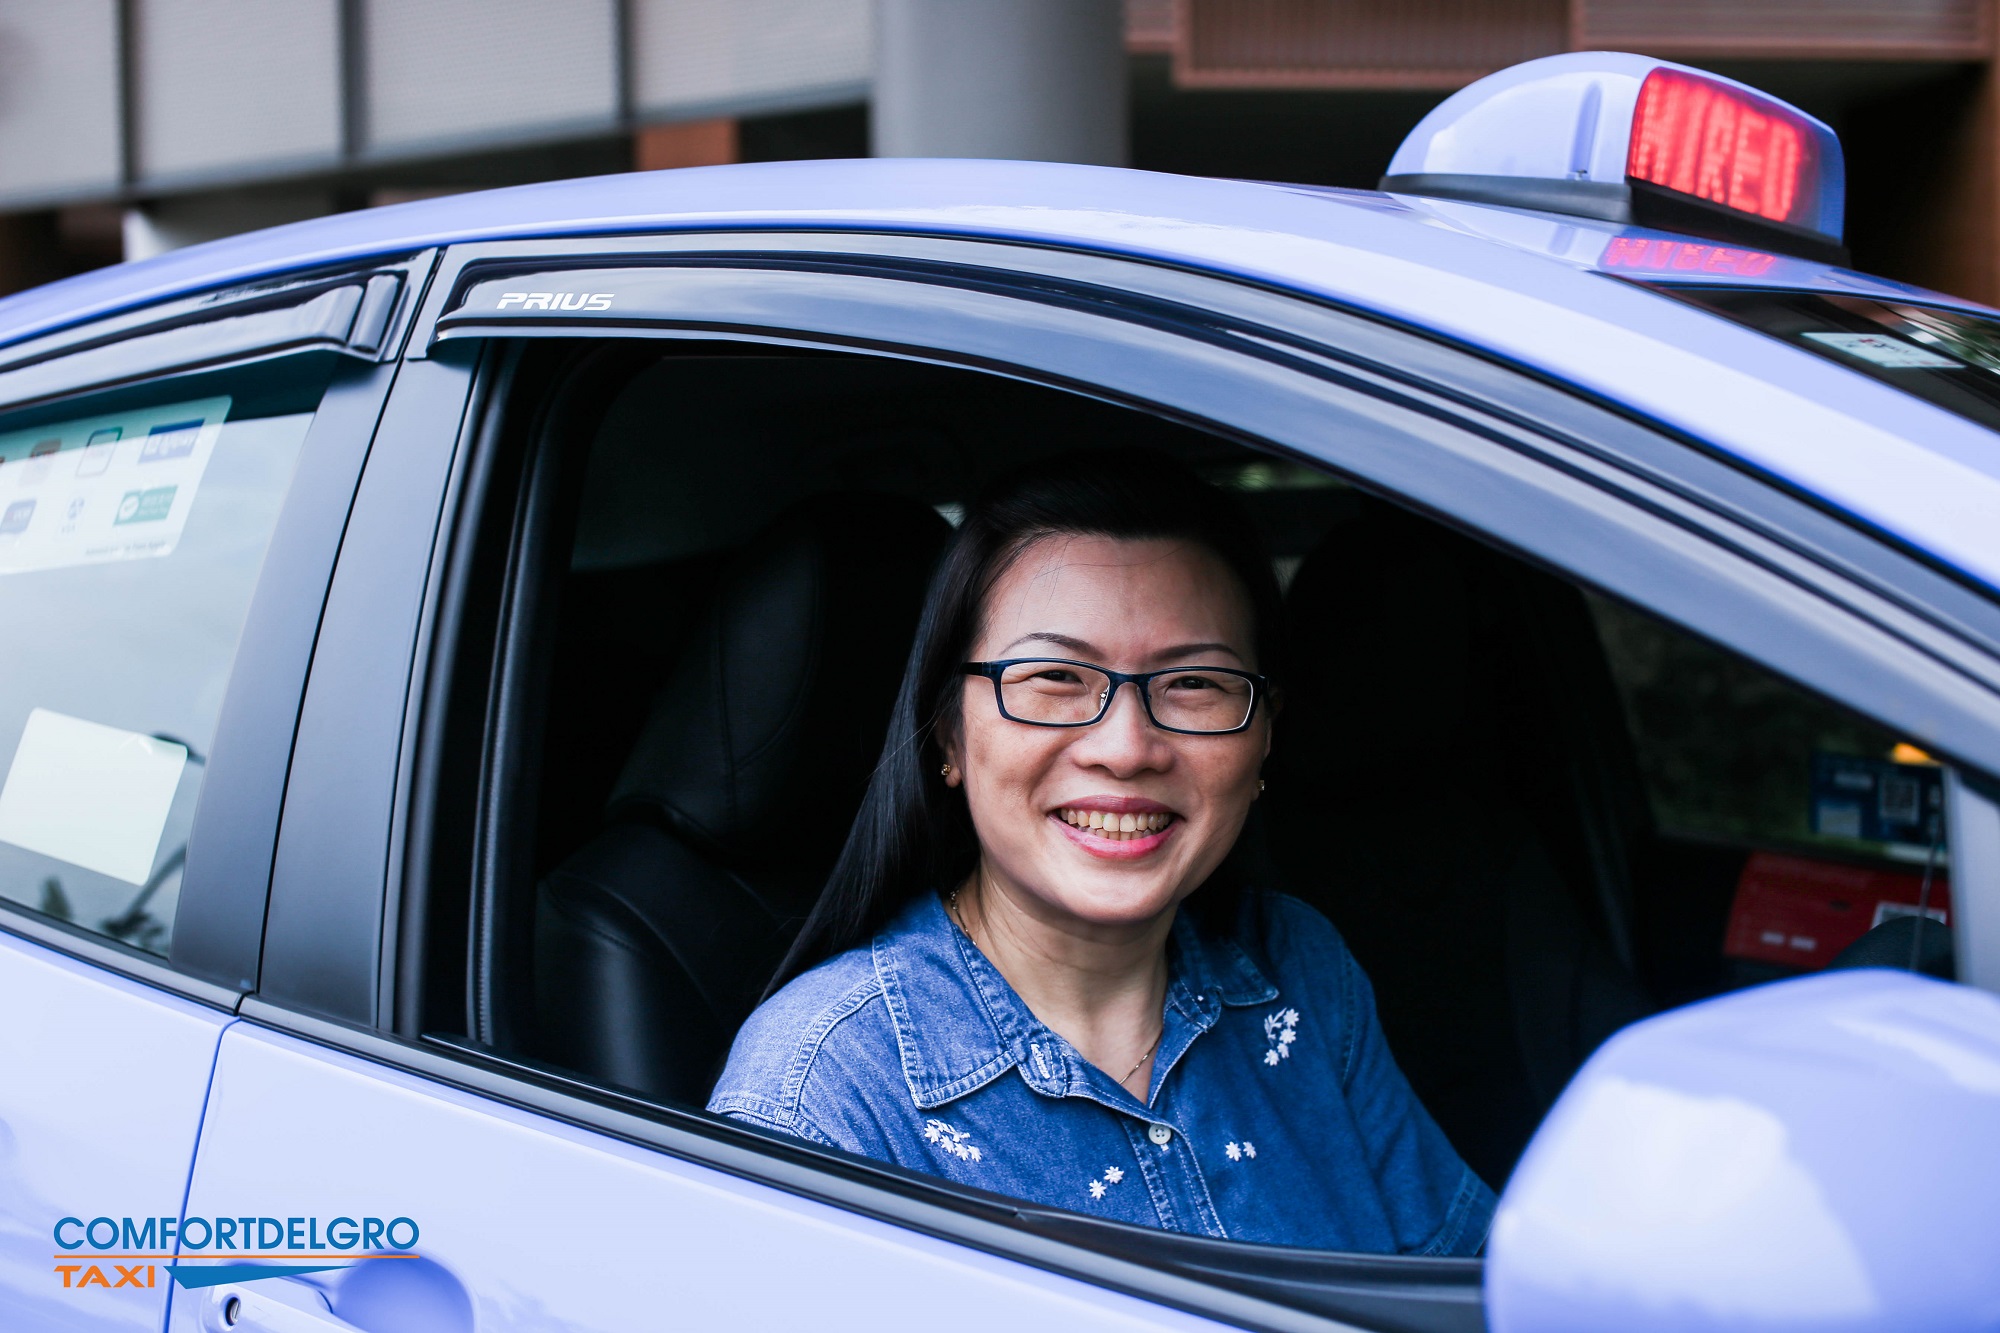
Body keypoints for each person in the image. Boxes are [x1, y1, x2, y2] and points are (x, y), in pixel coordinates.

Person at [708, 451, 1495, 1253]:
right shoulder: (823, 1094)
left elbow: (1471, 1288)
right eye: (1054, 676)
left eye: (1194, 683)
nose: (1126, 748)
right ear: (948, 732)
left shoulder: (1297, 970)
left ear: (1264, 739)